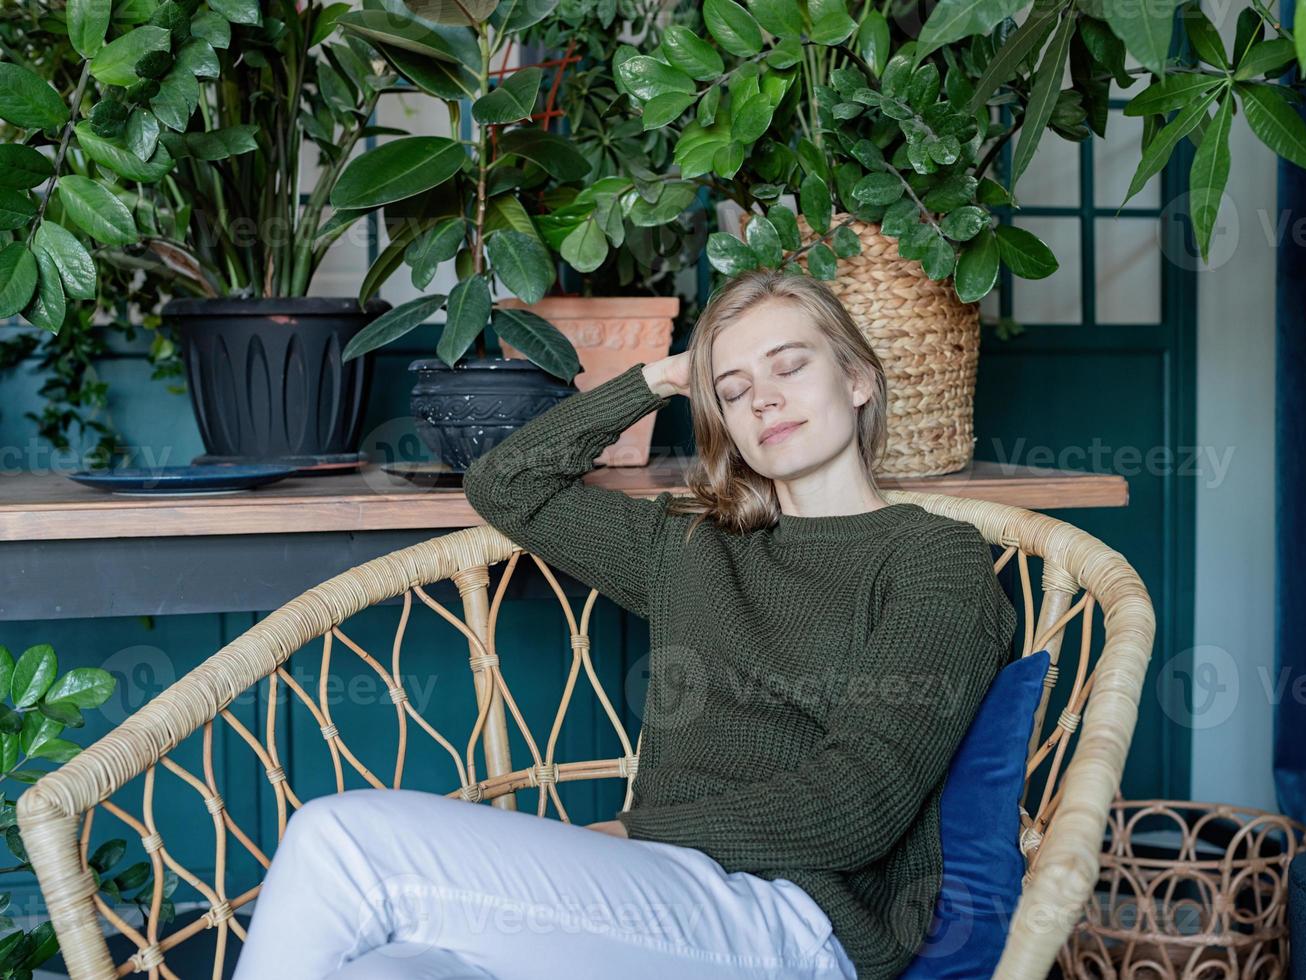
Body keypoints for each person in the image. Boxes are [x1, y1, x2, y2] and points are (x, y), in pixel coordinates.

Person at [231, 268, 1016, 979]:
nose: (764, 399)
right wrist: (656, 377)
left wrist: (627, 837)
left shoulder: (931, 558)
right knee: (384, 971)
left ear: (857, 380)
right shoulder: (692, 544)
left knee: (342, 843)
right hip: (657, 900)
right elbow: (506, 483)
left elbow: (854, 805)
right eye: (733, 390)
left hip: (799, 923)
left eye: (789, 365)